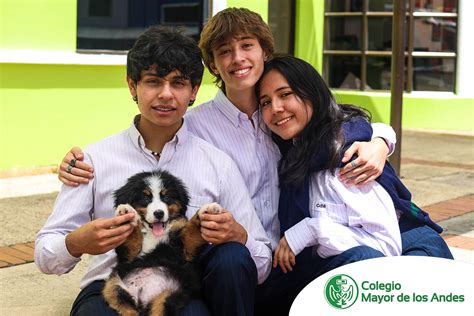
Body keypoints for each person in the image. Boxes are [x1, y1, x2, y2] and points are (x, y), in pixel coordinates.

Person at [57, 7, 439, 316]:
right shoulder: (196, 126)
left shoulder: (283, 113)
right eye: (224, 51)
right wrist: (81, 161)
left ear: (264, 52)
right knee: (231, 258)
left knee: (410, 257)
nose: (238, 59)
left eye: (247, 46)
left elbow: (337, 120)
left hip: (295, 252)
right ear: (211, 66)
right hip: (234, 262)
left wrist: (380, 140)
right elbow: (154, 137)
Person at [35, 26, 272, 316]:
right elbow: (45, 254)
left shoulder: (217, 163)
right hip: (110, 288)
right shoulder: (94, 159)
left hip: (178, 289)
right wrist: (75, 243)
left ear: (194, 90)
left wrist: (238, 235)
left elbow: (260, 260)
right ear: (132, 86)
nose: (165, 95)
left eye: (178, 83)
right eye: (153, 82)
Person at [254, 55, 453, 315]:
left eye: (286, 94)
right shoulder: (293, 149)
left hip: (398, 247)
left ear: (311, 93)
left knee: (371, 270)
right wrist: (383, 139)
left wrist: (312, 229)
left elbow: (382, 247)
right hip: (331, 259)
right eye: (266, 102)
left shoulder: (347, 157)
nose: (276, 108)